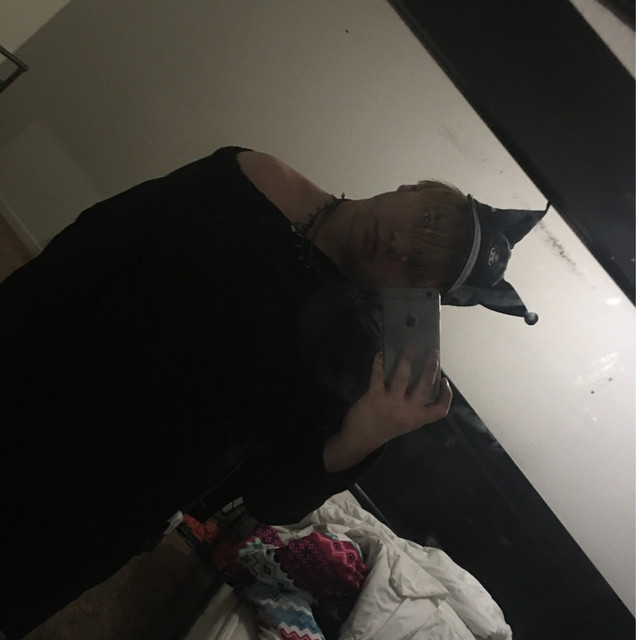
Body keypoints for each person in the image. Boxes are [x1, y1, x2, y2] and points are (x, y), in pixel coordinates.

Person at [0, 146, 545, 638]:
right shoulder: (254, 176)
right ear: (413, 188)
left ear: (417, 297)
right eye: (426, 220)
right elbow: (89, 248)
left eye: (420, 266)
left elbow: (269, 498)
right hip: (34, 384)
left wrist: (366, 433)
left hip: (105, 505)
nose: (400, 244)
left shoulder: (355, 352)